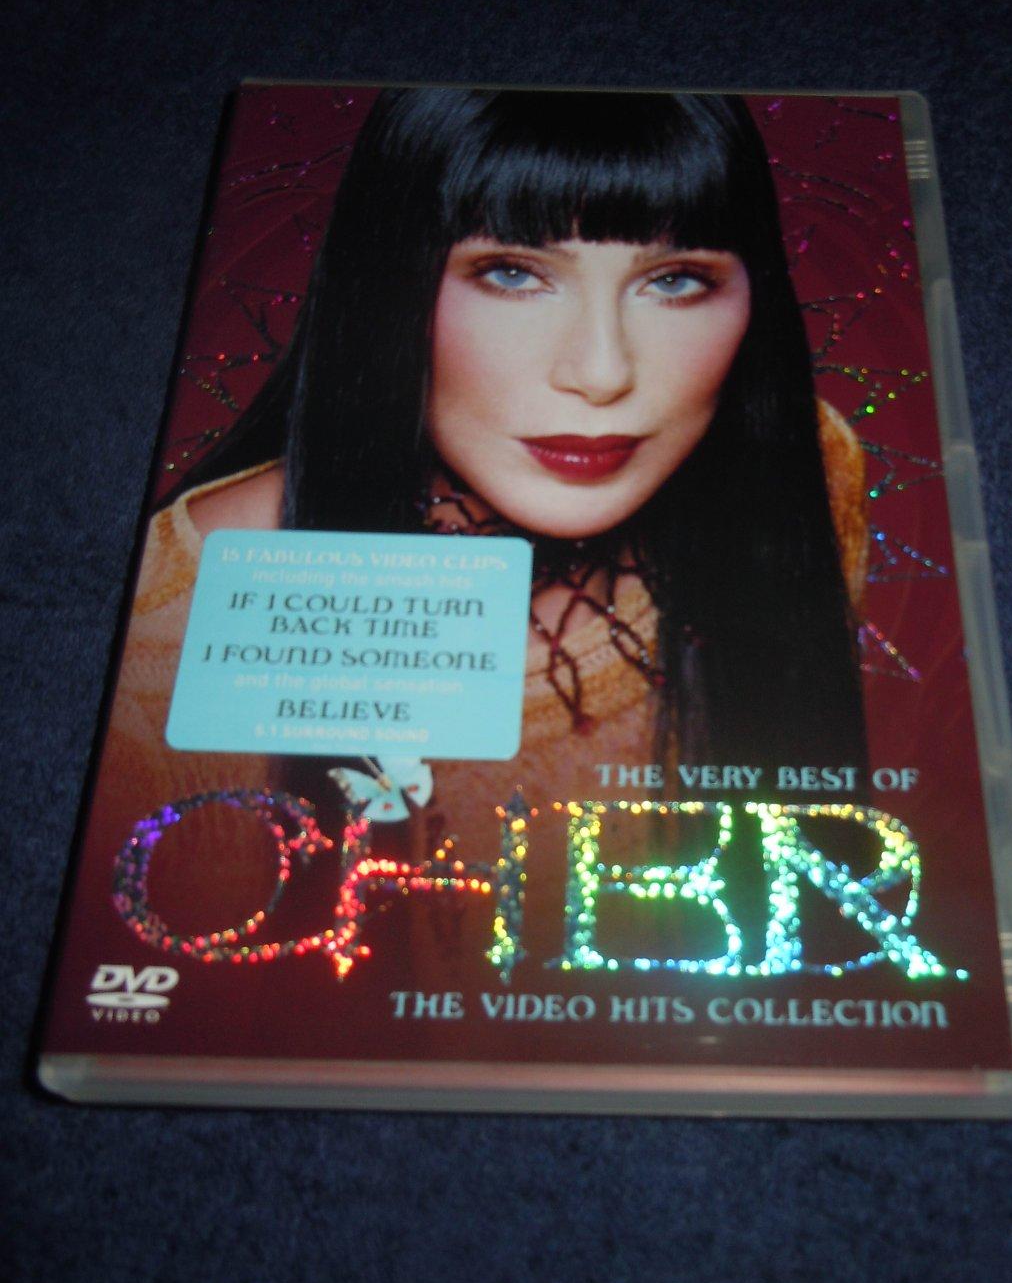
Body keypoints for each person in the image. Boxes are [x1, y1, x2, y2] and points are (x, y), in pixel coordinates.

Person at [101, 89, 869, 929]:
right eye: (512, 273)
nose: (601, 373)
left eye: (674, 279)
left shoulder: (801, 470)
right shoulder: (167, 629)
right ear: (385, 283)